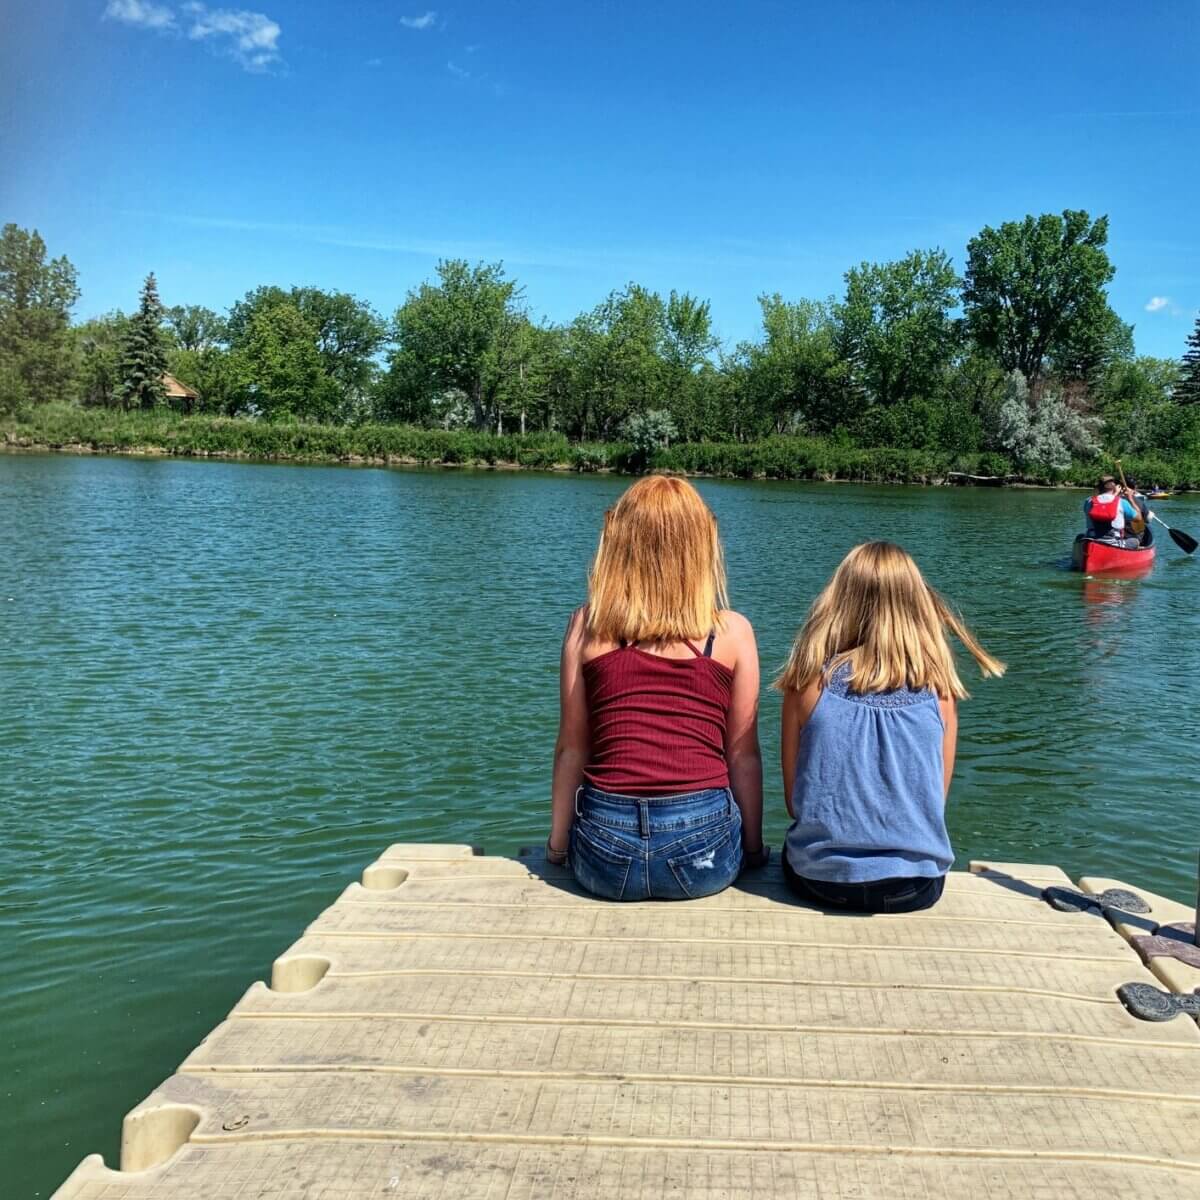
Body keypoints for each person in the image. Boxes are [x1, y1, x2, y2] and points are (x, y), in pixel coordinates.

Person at [547, 475, 766, 900]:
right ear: (701, 546)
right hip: (703, 851)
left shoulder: (586, 626)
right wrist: (752, 849)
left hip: (605, 855)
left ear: (619, 543)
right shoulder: (733, 633)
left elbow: (572, 748)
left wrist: (558, 846)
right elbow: (742, 754)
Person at [775, 542, 1005, 914]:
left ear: (837, 601)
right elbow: (935, 801)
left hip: (820, 881)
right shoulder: (940, 691)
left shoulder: (805, 685)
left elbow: (794, 802)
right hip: (916, 887)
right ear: (917, 605)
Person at [1083, 475, 1139, 548]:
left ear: (1099, 487)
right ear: (1114, 487)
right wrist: (1130, 498)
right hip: (1114, 543)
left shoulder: (1088, 501)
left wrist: (1114, 494)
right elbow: (1138, 518)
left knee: (1080, 536)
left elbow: (1102, 501)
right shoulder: (1122, 502)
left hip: (1092, 540)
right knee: (1135, 541)